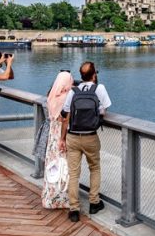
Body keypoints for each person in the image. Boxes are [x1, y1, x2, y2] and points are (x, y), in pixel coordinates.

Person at [59, 61, 111, 222]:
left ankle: (74, 209)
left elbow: (65, 115)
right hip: (90, 136)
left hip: (73, 136)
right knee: (94, 168)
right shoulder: (99, 88)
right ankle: (94, 202)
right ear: (94, 74)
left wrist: (62, 138)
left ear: (80, 75)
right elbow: (104, 110)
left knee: (73, 173)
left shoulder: (73, 91)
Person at [41, 71, 73, 209]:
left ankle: (50, 197)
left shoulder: (52, 96)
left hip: (52, 135)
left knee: (52, 166)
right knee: (64, 167)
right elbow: (65, 120)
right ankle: (63, 199)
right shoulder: (66, 98)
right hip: (61, 135)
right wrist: (63, 138)